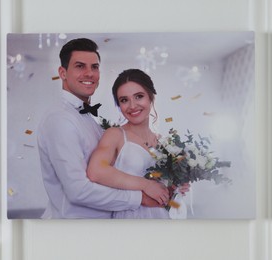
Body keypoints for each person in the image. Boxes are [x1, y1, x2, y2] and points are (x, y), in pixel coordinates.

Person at [37, 38, 168, 219]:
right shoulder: (60, 119)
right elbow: (78, 190)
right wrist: (140, 196)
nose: (89, 73)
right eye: (80, 66)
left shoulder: (89, 119)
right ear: (63, 72)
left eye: (94, 67)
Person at [87, 68, 173, 219]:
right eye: (124, 100)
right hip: (129, 219)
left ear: (151, 97)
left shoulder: (163, 142)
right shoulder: (115, 135)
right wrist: (145, 185)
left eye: (139, 96)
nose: (132, 106)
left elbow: (166, 194)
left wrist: (177, 186)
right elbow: (96, 171)